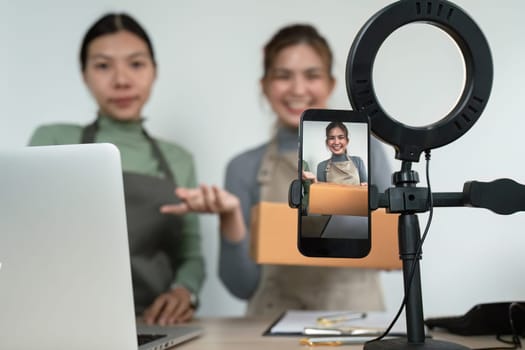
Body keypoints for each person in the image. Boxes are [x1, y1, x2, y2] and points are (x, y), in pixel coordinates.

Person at [161, 24, 392, 317]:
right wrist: (230, 217)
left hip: (357, 326)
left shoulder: (368, 152)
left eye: (312, 75)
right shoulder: (243, 167)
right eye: (283, 76)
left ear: (331, 84)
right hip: (269, 331)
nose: (297, 89)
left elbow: (393, 254)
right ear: (265, 85)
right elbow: (241, 286)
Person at [28, 13, 204, 325]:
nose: (122, 80)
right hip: (64, 321)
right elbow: (25, 240)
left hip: (152, 323)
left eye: (136, 64)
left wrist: (182, 292)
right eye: (103, 65)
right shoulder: (52, 140)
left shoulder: (179, 159)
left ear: (154, 71)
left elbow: (191, 256)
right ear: (84, 75)